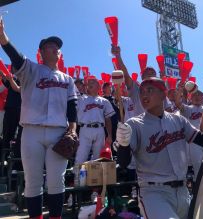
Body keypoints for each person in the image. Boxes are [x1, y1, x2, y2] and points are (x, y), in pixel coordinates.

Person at [0, 18, 78, 219]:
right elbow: (16, 58)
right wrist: (3, 38)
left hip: (58, 132)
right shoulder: (31, 70)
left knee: (56, 180)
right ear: (41, 52)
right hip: (31, 131)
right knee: (33, 180)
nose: (54, 49)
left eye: (57, 47)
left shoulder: (68, 79)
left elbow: (72, 107)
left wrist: (74, 129)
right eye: (49, 46)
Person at [116, 77, 203, 219]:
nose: (144, 95)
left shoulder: (178, 120)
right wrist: (123, 145)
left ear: (163, 94)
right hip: (154, 193)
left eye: (150, 90)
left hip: (183, 192)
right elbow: (123, 163)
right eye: (142, 92)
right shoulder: (134, 124)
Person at [75, 76, 115, 164]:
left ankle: (97, 177)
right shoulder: (80, 99)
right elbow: (75, 88)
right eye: (88, 83)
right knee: (81, 156)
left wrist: (110, 135)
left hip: (100, 129)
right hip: (84, 129)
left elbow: (108, 119)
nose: (90, 84)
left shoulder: (104, 101)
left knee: (99, 158)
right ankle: (77, 177)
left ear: (98, 86)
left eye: (93, 82)